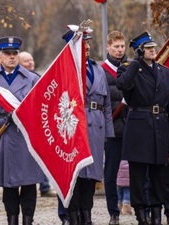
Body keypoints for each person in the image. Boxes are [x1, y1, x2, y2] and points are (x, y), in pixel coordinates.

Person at [0, 36, 45, 225]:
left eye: (14, 53)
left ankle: (27, 220)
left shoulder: (32, 79)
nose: (11, 57)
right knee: (9, 185)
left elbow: (41, 112)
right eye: (7, 54)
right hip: (3, 137)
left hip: (26, 136)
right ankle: (12, 220)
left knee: (28, 183)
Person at [117, 31, 169, 225]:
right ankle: (141, 215)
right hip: (139, 129)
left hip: (160, 127)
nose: (153, 50)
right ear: (140, 51)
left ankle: (157, 216)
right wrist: (134, 63)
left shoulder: (164, 72)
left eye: (153, 47)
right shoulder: (128, 69)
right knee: (138, 177)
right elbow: (122, 85)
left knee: (159, 176)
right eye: (148, 48)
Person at [62, 28, 114, 225]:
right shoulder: (67, 69)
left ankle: (87, 215)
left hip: (96, 129)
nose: (88, 46)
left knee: (91, 177)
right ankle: (73, 216)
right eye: (84, 43)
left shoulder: (98, 69)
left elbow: (107, 103)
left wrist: (108, 132)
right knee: (75, 176)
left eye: (89, 43)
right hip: (74, 128)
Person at [19, 51, 56, 198]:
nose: (30, 63)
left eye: (31, 60)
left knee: (42, 156)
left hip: (39, 125)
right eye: (26, 61)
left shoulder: (39, 79)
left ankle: (45, 185)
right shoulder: (20, 81)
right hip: (23, 124)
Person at [102, 30, 128, 225]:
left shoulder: (131, 68)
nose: (120, 50)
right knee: (111, 173)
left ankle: (141, 209)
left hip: (132, 128)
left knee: (139, 172)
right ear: (108, 47)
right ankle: (114, 212)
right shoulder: (101, 71)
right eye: (116, 47)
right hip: (112, 129)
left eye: (122, 46)